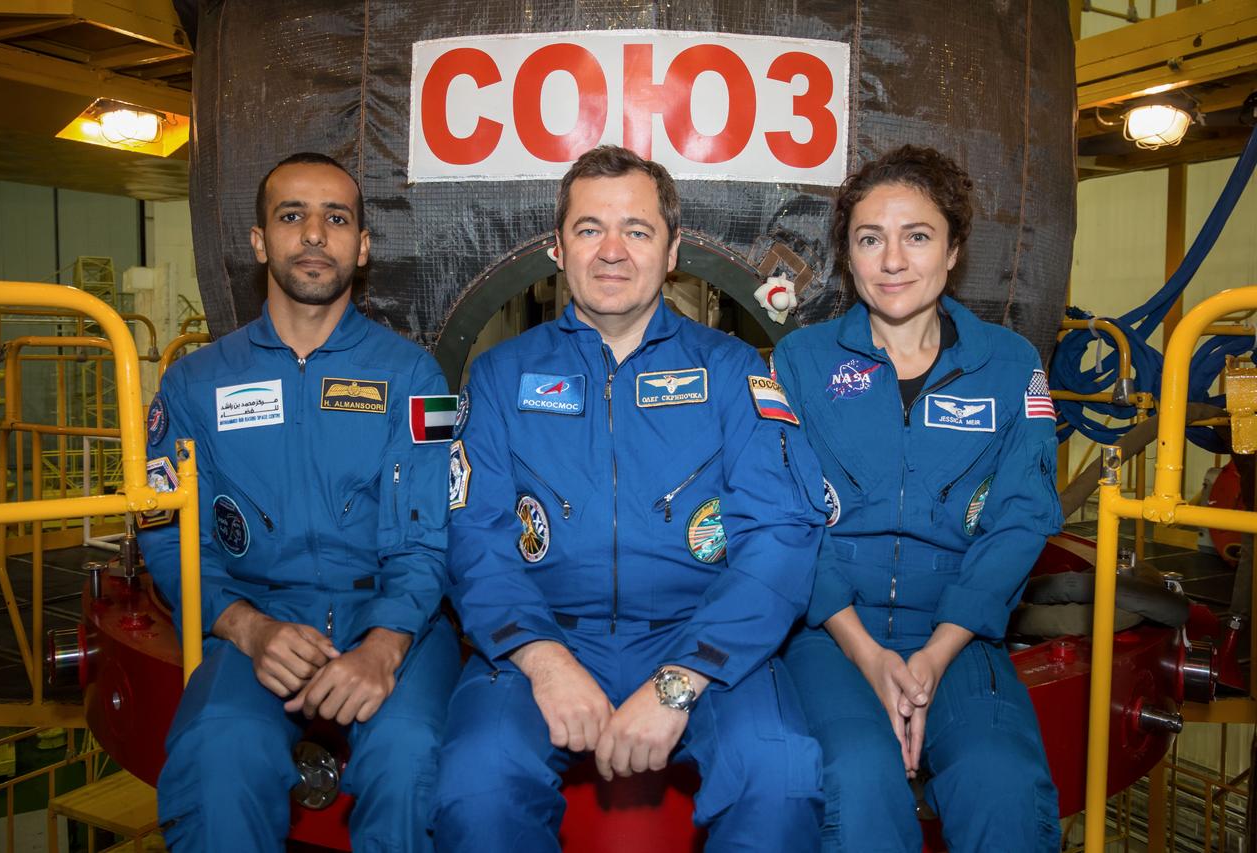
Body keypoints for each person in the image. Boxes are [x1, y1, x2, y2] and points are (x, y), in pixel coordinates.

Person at [433, 145, 828, 852]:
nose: (611, 250)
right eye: (589, 229)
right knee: (477, 781)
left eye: (637, 230)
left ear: (672, 249)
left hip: (704, 635)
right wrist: (545, 660)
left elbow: (782, 533)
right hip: (544, 632)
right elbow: (476, 534)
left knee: (780, 775)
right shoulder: (499, 377)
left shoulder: (733, 370)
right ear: (557, 247)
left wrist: (680, 679)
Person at [137, 152, 459, 852]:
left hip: (393, 619)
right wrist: (250, 630)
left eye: (336, 218)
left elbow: (427, 534)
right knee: (218, 754)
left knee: (410, 759)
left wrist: (383, 645)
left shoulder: (415, 375)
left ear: (362, 247)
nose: (314, 234)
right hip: (258, 622)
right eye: (292, 216)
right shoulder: (192, 387)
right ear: (259, 241)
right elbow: (167, 537)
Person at [774, 145, 1063, 852]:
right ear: (848, 255)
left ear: (955, 248)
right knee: (859, 777)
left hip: (960, 631)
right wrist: (870, 656)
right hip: (831, 632)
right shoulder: (800, 363)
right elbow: (788, 516)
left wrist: (936, 654)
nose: (893, 260)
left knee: (1003, 781)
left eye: (918, 236)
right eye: (870, 239)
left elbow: (1021, 516)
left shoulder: (1010, 365)